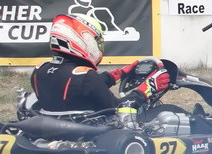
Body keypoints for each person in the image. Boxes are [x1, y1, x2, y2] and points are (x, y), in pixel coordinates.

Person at [32, 14, 169, 114]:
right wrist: (146, 89)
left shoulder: (39, 71)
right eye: (96, 40)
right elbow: (119, 109)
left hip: (53, 131)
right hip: (88, 134)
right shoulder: (86, 77)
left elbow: (80, 88)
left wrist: (117, 75)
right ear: (81, 39)